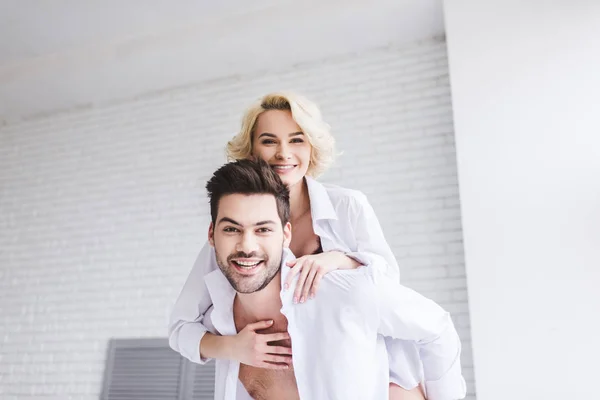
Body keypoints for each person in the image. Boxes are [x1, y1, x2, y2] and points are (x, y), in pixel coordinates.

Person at [169, 92, 466, 399]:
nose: (283, 153)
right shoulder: (231, 241)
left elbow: (386, 287)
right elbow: (181, 327)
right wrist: (233, 347)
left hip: (370, 374)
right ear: (252, 150)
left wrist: (343, 260)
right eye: (269, 141)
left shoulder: (347, 206)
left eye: (297, 140)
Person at [200, 159, 465, 399]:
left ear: (286, 235)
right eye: (232, 229)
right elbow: (181, 334)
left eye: (263, 229)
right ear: (212, 235)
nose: (247, 246)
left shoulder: (343, 292)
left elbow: (437, 328)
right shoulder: (217, 320)